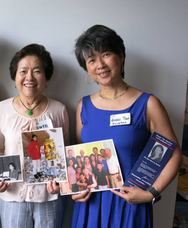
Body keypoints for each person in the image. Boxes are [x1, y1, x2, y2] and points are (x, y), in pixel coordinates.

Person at [71, 25, 182, 228]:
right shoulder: (83, 106)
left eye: (106, 54)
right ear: (86, 68)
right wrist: (76, 189)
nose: (100, 65)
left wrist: (151, 193)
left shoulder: (148, 104)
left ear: (121, 56)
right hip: (91, 205)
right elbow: (80, 157)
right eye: (92, 60)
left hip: (129, 202)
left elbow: (173, 154)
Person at [0, 43, 69, 227]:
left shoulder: (59, 110)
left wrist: (59, 181)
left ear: (46, 76)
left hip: (49, 196)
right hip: (11, 195)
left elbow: (64, 154)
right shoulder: (1, 109)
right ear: (15, 76)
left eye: (37, 71)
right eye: (23, 71)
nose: (29, 77)